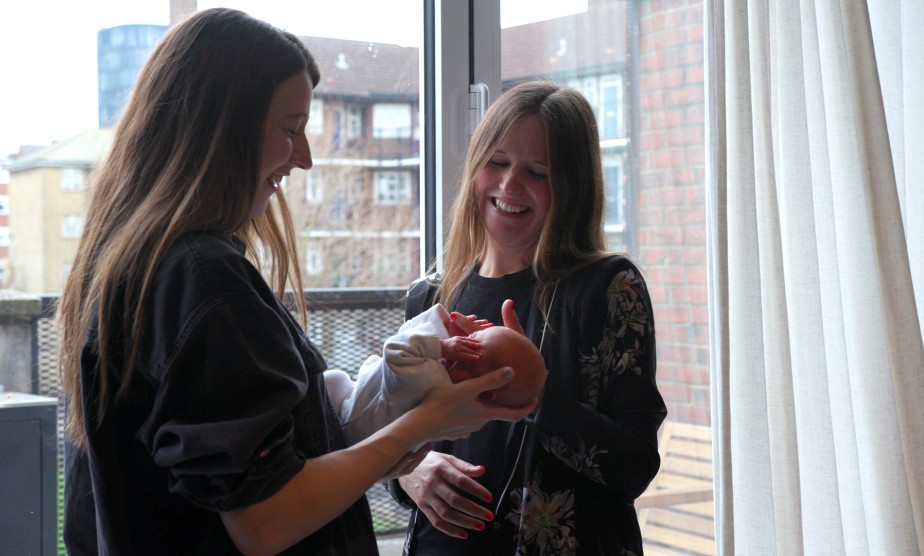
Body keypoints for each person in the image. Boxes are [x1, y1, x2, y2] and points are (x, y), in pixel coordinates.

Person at [55, 9, 534, 555]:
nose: (303, 158)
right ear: (219, 127)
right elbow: (266, 521)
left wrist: (386, 434)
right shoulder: (205, 281)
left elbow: (267, 476)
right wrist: (429, 421)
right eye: (290, 129)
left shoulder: (142, 269)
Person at [388, 81, 668, 555]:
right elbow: (387, 434)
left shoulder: (608, 288)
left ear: (572, 187)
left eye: (537, 172)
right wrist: (408, 471)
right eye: (497, 163)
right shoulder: (429, 297)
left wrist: (539, 397)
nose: (509, 185)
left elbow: (633, 468)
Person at [325, 303, 546, 446]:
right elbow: (406, 336)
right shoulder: (459, 409)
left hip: (342, 415)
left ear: (487, 389)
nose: (466, 339)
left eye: (474, 345)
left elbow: (394, 347)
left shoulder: (431, 379)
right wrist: (445, 331)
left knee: (332, 379)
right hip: (361, 436)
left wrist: (442, 344)